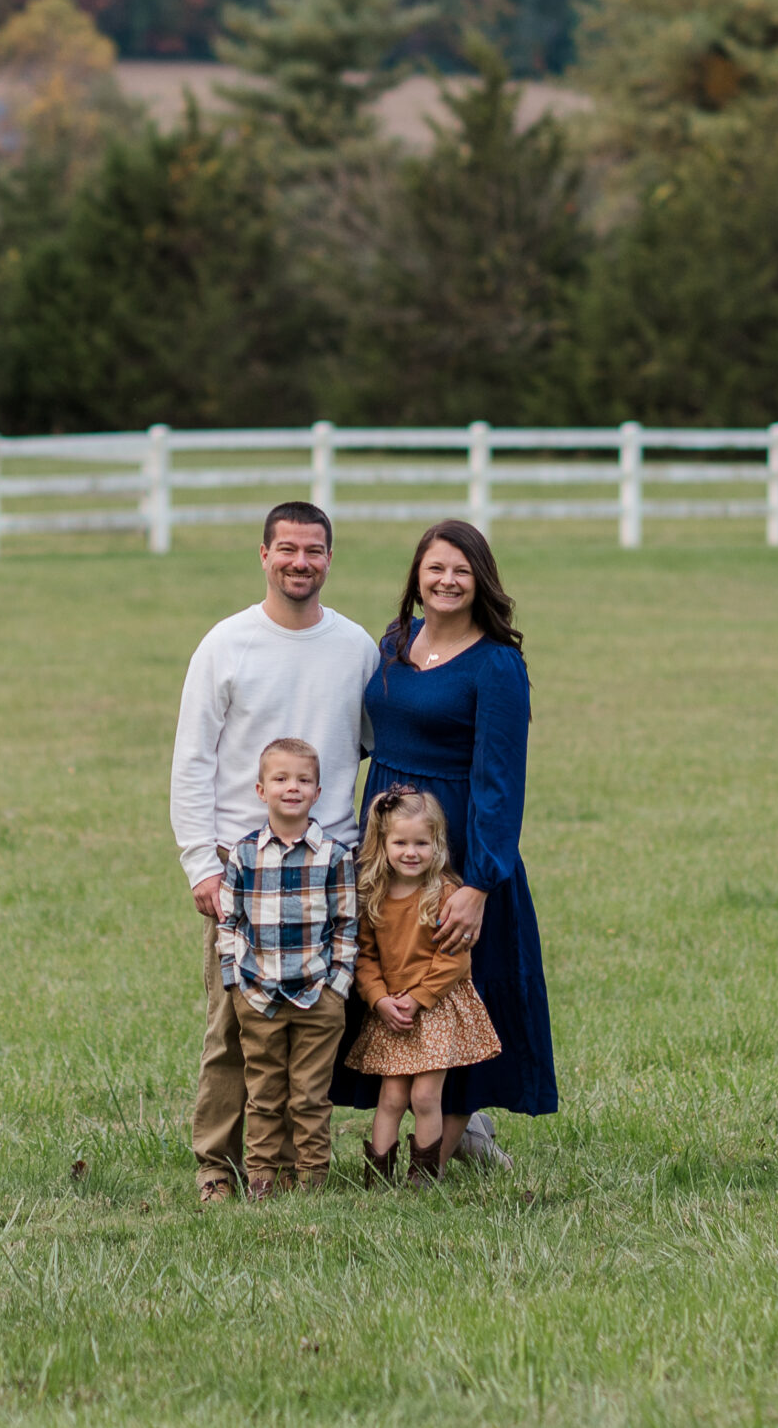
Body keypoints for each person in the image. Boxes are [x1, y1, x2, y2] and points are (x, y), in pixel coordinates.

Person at [170, 502, 379, 1203]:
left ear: (329, 559)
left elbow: (384, 740)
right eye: (287, 548)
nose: (300, 561)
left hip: (330, 869)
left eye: (314, 550)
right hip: (243, 869)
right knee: (236, 1026)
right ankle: (216, 1166)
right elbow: (193, 759)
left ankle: (294, 1167)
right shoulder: (227, 644)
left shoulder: (354, 647)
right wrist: (201, 860)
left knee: (318, 1028)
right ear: (263, 555)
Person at [333, 519, 558, 1161]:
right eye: (436, 568)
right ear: (417, 577)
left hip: (456, 839)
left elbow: (500, 780)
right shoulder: (394, 642)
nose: (447, 581)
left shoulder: (497, 664)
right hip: (388, 835)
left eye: (461, 570)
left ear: (480, 580)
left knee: (462, 986)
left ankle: (453, 1141)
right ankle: (382, 1130)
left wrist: (482, 883)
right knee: (381, 970)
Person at [213, 738, 359, 1198]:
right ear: (260, 790)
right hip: (258, 997)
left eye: (302, 780)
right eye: (280, 779)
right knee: (265, 1094)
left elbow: (346, 925)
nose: (291, 788)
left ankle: (312, 1180)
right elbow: (230, 922)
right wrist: (235, 983)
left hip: (318, 997)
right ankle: (262, 1180)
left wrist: (337, 986)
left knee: (311, 1095)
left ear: (317, 792)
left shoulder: (334, 855)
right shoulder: (244, 854)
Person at [346, 787, 501, 1185]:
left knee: (425, 1096)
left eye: (422, 842)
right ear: (382, 844)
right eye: (400, 842)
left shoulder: (444, 894)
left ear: (438, 844)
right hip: (392, 1012)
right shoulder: (374, 897)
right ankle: (378, 1175)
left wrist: (417, 999)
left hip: (434, 1010)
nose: (410, 852)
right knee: (392, 1097)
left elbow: (455, 959)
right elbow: (364, 957)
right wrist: (379, 999)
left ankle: (425, 1177)